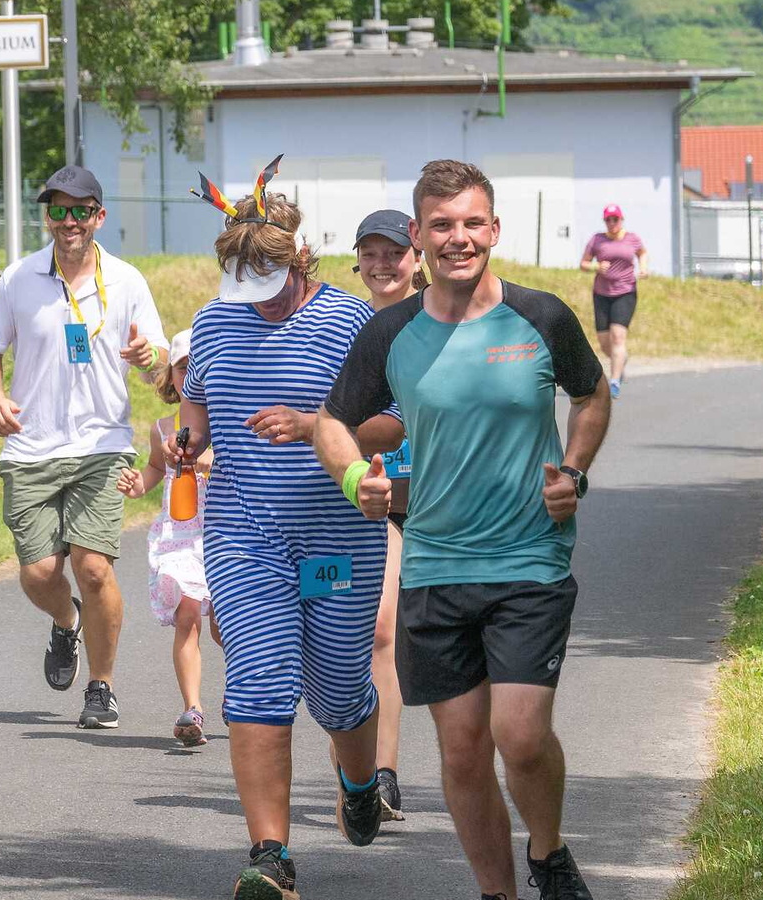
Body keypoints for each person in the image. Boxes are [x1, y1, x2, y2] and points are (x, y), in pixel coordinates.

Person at [316, 159, 612, 900]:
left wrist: (573, 469)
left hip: (529, 560)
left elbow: (592, 393)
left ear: (494, 230)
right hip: (435, 566)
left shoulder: (540, 317)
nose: (459, 238)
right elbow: (332, 423)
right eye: (442, 226)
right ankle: (497, 891)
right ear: (418, 237)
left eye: (472, 223)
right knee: (463, 751)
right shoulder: (392, 331)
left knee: (520, 735)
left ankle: (547, 851)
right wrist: (359, 480)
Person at [172, 161, 406, 900]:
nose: (260, 304)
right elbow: (197, 406)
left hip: (337, 538)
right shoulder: (213, 323)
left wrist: (314, 426)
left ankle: (361, 780)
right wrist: (188, 438)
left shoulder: (353, 323)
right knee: (259, 682)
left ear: (299, 262)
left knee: (338, 692)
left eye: (269, 285)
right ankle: (270, 856)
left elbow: (396, 419)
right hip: (245, 536)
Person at [0, 164, 167, 729]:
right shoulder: (18, 278)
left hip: (102, 443)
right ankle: (66, 623)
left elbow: (159, 362)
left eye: (81, 210)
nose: (69, 221)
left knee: (94, 567)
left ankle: (101, 687)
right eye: (58, 210)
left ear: (99, 217)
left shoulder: (128, 281)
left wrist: (149, 358)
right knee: (39, 573)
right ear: (48, 217)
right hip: (30, 447)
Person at [352, 208, 429, 822]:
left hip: (436, 502)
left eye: (394, 252)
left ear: (418, 256)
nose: (383, 264)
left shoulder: (441, 323)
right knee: (377, 633)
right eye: (370, 252)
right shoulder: (341, 328)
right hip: (368, 502)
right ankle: (379, 775)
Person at [116, 329, 214, 748]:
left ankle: (242, 696)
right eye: (183, 367)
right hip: (180, 534)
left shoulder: (233, 418)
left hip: (225, 530)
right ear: (171, 377)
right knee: (187, 617)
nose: (193, 373)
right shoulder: (162, 428)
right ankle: (192, 707)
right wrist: (141, 483)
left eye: (200, 365)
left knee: (227, 628)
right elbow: (156, 468)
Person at [579, 204, 646, 399]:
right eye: (608, 220)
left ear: (621, 219)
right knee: (604, 342)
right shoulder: (597, 240)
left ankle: (614, 380)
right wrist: (596, 267)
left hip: (625, 292)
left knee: (618, 336)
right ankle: (620, 359)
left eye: (615, 219)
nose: (612, 223)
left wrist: (643, 268)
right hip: (601, 294)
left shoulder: (631, 239)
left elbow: (642, 253)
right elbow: (583, 263)